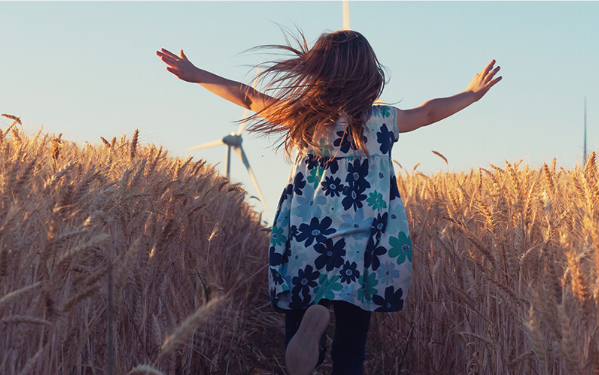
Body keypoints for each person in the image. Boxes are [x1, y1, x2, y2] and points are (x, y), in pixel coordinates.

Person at [157, 29, 500, 375]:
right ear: (369, 73)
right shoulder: (382, 120)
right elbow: (428, 112)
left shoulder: (304, 116)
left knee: (303, 315)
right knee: (351, 348)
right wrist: (470, 94)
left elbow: (249, 97)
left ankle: (305, 343)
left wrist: (198, 75)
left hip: (309, 240)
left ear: (316, 71)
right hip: (363, 248)